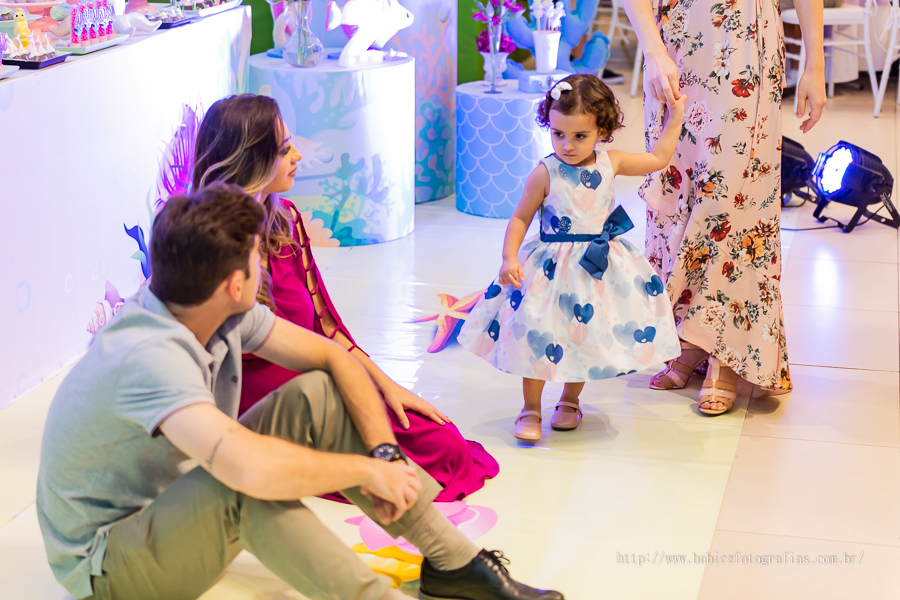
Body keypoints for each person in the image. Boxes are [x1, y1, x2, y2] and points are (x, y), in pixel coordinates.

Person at [35, 184, 564, 600]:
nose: (265, 262)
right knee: (242, 490)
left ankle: (453, 562)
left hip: (165, 511)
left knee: (320, 392)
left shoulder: (200, 304)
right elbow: (249, 472)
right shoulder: (150, 355)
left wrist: (383, 455)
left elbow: (333, 357)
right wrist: (364, 471)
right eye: (257, 256)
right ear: (235, 285)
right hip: (105, 568)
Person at [190, 94, 499, 503]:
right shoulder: (208, 243)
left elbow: (327, 328)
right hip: (259, 398)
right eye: (284, 150)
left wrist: (388, 387)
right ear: (252, 162)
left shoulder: (287, 222)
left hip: (319, 370)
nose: (297, 154)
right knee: (415, 462)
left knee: (442, 443)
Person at [622, 0, 826, 413]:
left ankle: (728, 351)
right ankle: (691, 337)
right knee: (675, 190)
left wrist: (816, 65)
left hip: (746, 41)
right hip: (674, 41)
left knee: (736, 196)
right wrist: (653, 49)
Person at [458, 74, 685, 441]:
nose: (567, 145)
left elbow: (658, 158)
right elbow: (520, 217)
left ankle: (569, 401)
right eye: (558, 134)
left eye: (580, 136)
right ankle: (530, 407)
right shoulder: (545, 172)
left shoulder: (611, 163)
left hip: (593, 269)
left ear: (602, 130)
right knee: (536, 333)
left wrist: (675, 116)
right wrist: (508, 258)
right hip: (548, 269)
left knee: (583, 334)